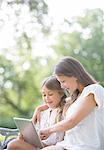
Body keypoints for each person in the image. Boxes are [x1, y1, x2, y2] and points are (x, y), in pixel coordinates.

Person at [34, 57, 104, 150]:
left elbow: (71, 121)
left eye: (63, 81)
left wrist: (49, 130)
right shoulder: (75, 99)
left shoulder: (93, 90)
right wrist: (39, 109)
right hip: (67, 145)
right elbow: (56, 103)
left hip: (85, 147)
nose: (62, 86)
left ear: (75, 75)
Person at [7, 76, 67, 150]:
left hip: (51, 146)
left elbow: (60, 139)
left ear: (61, 94)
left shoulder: (64, 110)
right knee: (14, 142)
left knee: (12, 145)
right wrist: (25, 136)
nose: (46, 98)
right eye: (44, 95)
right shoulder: (43, 113)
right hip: (40, 144)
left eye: (50, 94)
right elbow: (37, 131)